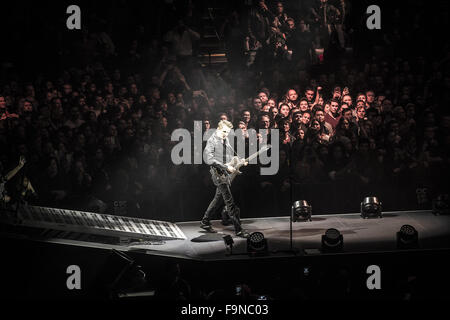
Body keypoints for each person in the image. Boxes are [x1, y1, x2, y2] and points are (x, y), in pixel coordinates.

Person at [200, 120, 250, 238]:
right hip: (218, 174)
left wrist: (239, 160)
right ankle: (238, 230)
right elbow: (209, 159)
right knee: (229, 202)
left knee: (217, 199)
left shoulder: (225, 139)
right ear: (218, 129)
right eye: (224, 131)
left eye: (227, 132)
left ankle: (205, 221)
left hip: (224, 173)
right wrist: (226, 166)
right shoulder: (211, 141)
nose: (225, 134)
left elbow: (229, 154)